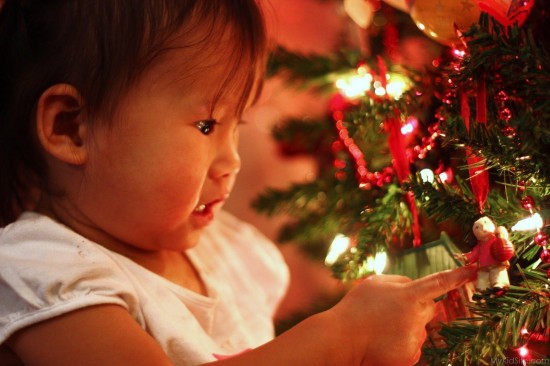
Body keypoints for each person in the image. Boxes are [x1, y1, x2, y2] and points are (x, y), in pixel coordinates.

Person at [0, 0, 476, 365]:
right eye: (207, 125)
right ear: (71, 128)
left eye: (237, 125)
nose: (232, 162)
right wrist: (344, 335)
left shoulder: (228, 253)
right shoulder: (43, 271)